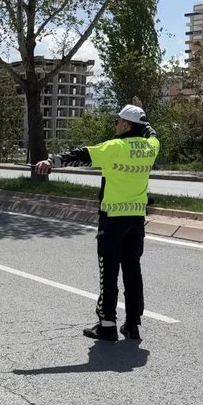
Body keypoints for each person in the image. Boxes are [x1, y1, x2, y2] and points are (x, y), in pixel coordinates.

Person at [35, 103, 160, 341]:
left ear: (126, 125)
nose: (115, 125)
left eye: (118, 121)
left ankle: (107, 325)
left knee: (109, 274)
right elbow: (152, 134)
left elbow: (82, 155)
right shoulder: (151, 148)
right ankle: (132, 324)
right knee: (133, 272)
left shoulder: (115, 146)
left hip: (112, 221)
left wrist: (52, 162)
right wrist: (145, 117)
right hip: (136, 221)